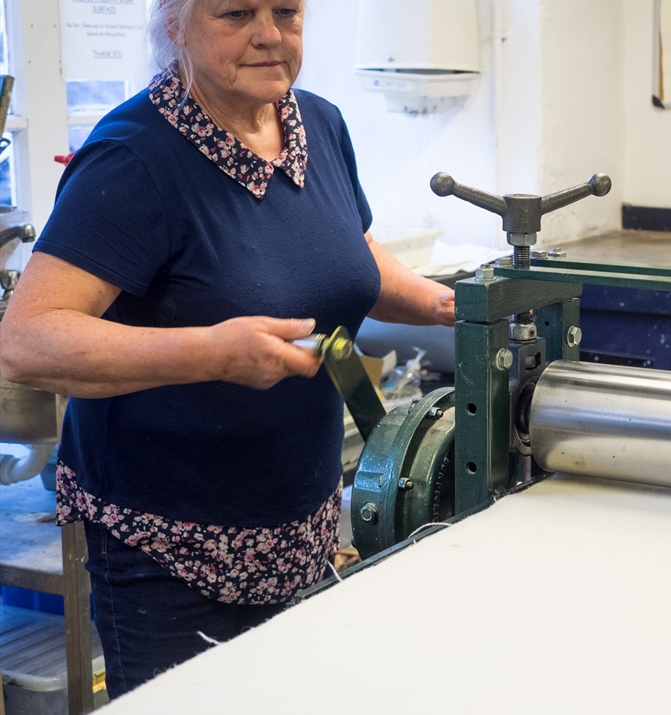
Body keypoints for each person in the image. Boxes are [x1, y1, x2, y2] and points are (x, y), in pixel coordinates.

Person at [0, 0, 455, 698]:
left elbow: (350, 256)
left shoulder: (317, 123)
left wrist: (442, 303)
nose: (269, 34)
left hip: (301, 528)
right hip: (169, 557)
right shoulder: (134, 155)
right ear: (174, 25)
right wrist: (212, 353)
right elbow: (27, 340)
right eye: (236, 13)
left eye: (286, 11)